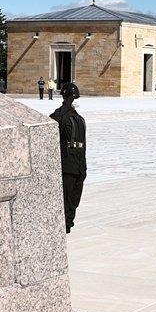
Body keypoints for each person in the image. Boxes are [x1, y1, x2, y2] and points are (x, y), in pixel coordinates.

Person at [50, 82, 86, 234]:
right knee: (66, 198)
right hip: (67, 164)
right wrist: (64, 107)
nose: (76, 100)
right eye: (73, 98)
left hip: (78, 164)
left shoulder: (79, 118)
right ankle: (64, 225)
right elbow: (50, 124)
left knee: (75, 199)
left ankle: (69, 222)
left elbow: (84, 143)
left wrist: (83, 167)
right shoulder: (61, 116)